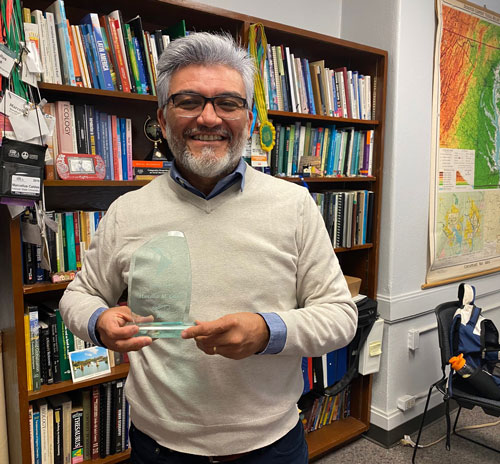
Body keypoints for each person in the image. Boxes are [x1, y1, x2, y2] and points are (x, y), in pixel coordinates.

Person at [59, 32, 357, 463]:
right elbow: (78, 295)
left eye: (228, 103)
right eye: (189, 101)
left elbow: (340, 317)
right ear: (162, 119)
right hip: (160, 448)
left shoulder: (293, 206)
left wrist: (266, 332)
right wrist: (99, 320)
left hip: (271, 446)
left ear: (249, 119)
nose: (209, 118)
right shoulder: (127, 212)